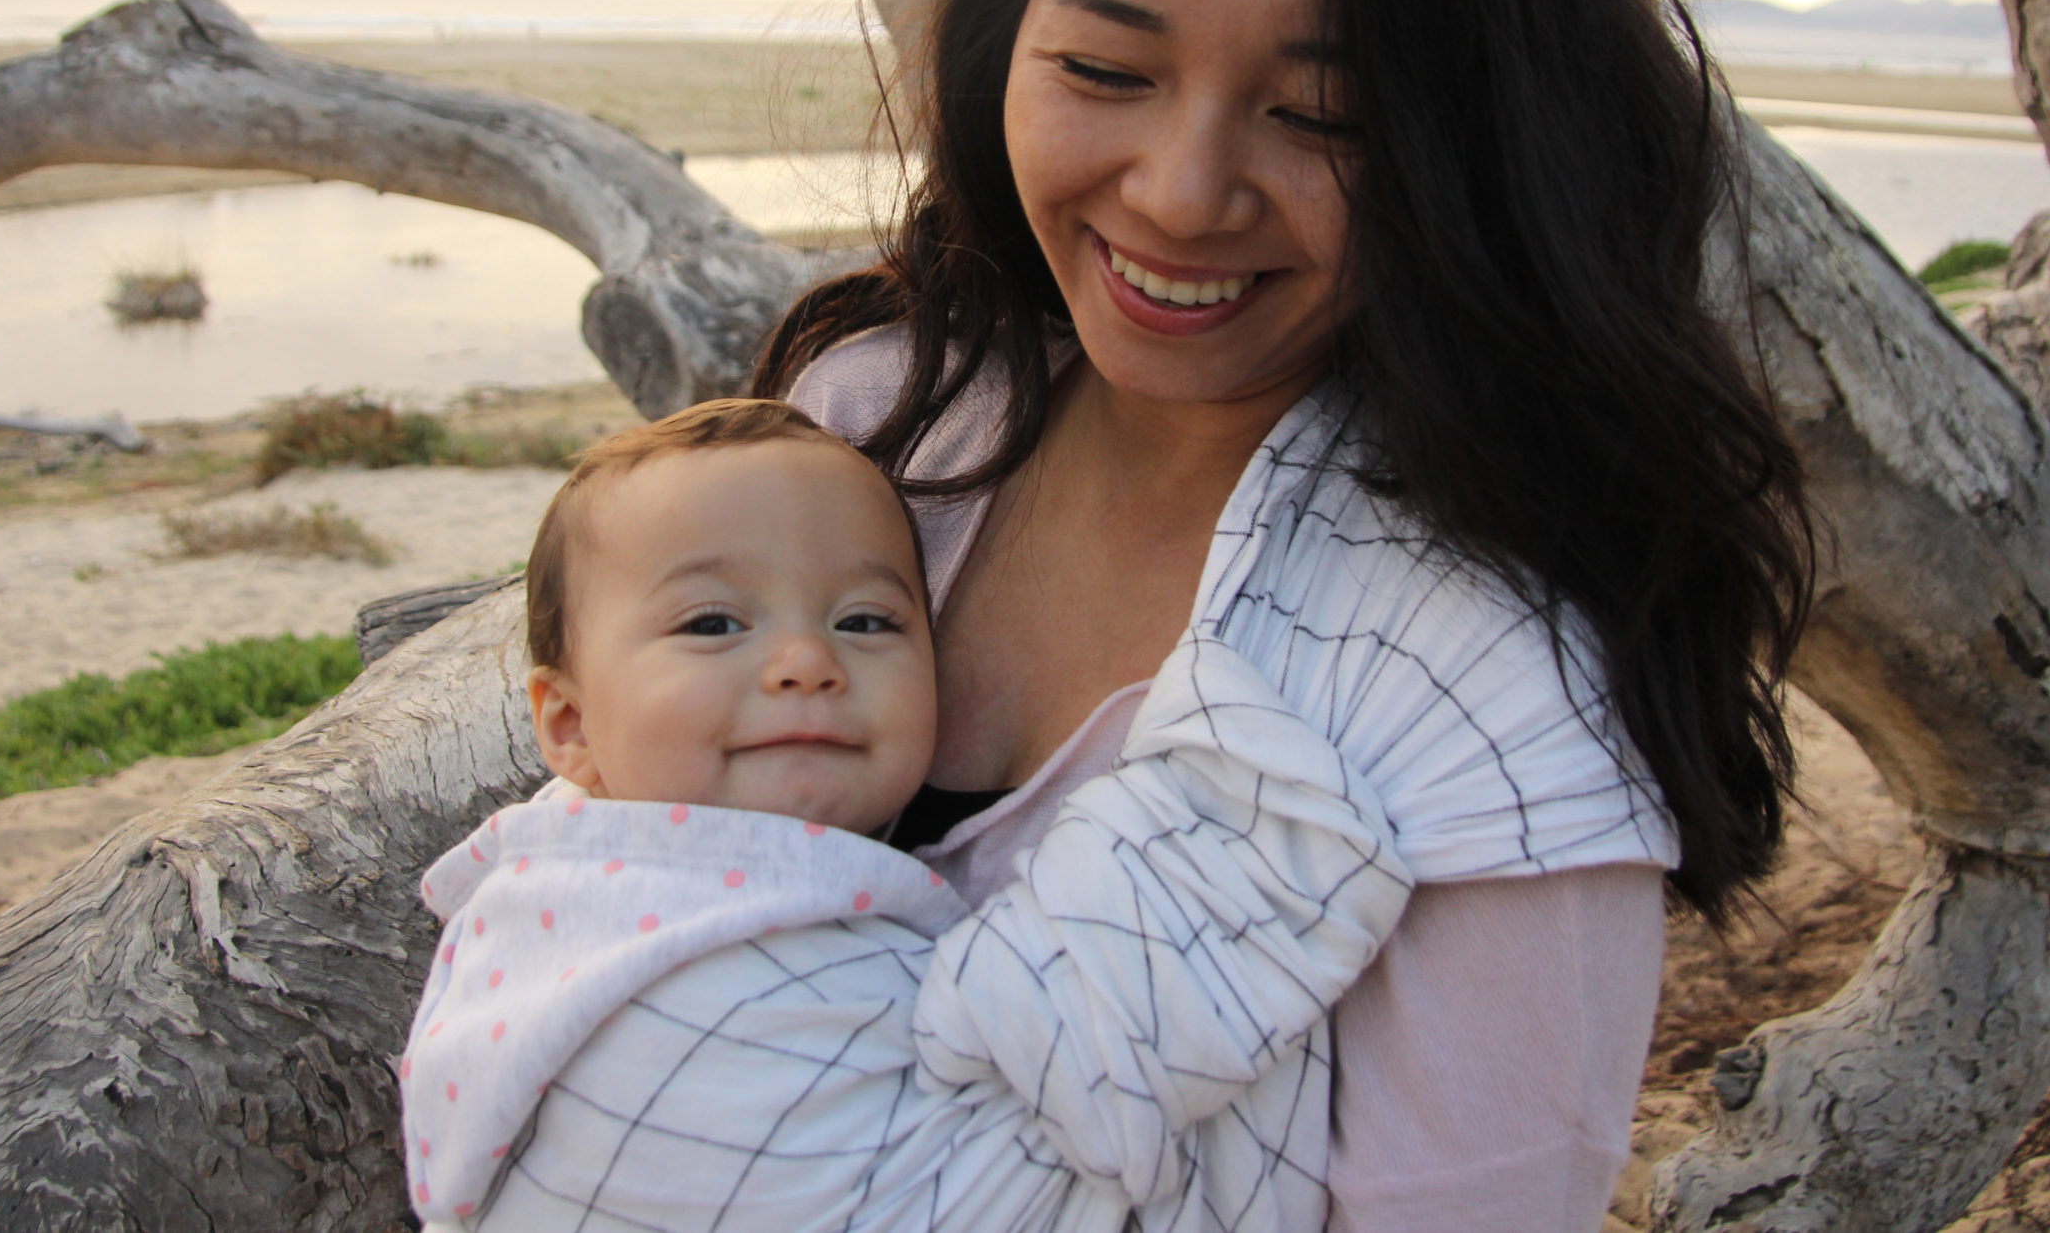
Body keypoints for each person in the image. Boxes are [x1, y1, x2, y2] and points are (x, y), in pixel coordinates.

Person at [756, 0, 1813, 1233]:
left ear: (1467, 142)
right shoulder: (878, 423)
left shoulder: (1486, 712)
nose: (1180, 194)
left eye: (1322, 111)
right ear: (998, 46)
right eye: (1107, 71)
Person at [399, 398, 1416, 1231]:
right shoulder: (571, 929)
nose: (807, 663)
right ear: (569, 726)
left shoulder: (834, 928)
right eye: (713, 623)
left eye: (867, 620)